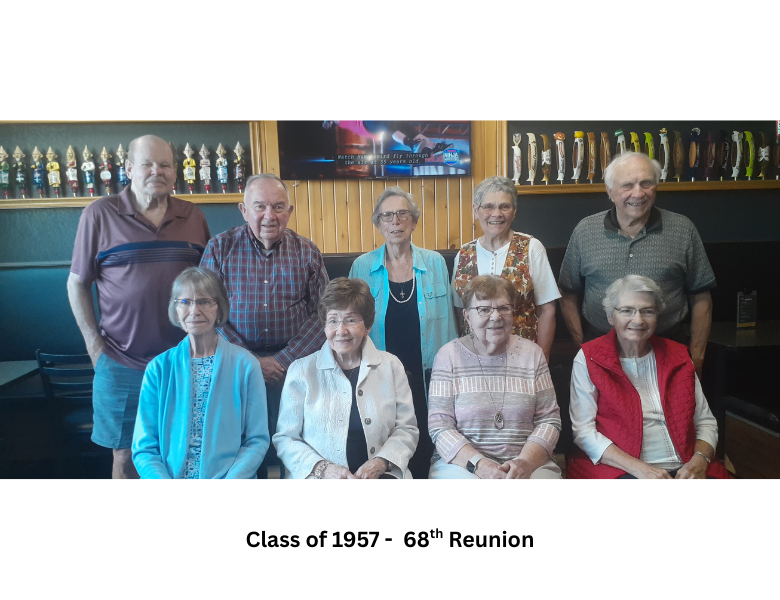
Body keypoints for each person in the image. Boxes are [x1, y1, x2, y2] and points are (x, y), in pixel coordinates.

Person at [67, 134, 210, 478]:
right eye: (147, 163)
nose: (156, 171)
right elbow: (76, 283)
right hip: (120, 362)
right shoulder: (99, 214)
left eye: (164, 164)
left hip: (184, 361)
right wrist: (94, 346)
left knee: (185, 451)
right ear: (130, 168)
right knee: (125, 456)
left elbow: (208, 287)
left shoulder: (193, 216)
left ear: (176, 172)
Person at [200, 173, 329, 476]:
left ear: (290, 211)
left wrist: (283, 360)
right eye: (259, 207)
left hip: (296, 365)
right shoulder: (219, 249)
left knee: (299, 447)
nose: (269, 216)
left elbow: (324, 314)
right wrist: (252, 361)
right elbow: (206, 312)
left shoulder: (307, 251)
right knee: (242, 451)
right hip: (235, 364)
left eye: (278, 206)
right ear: (243, 210)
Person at [558, 151, 716, 376]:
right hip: (601, 353)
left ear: (657, 187)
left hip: (669, 353)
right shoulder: (585, 231)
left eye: (646, 183)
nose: (638, 193)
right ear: (610, 191)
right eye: (627, 185)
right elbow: (568, 293)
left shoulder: (683, 229)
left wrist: (697, 357)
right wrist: (582, 346)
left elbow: (702, 297)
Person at [567, 275, 729, 479]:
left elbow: (705, 422)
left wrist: (699, 460)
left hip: (686, 465)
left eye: (647, 311)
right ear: (610, 317)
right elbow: (584, 432)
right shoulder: (589, 357)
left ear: (657, 316)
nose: (638, 320)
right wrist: (640, 470)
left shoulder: (679, 356)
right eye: (627, 310)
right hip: (621, 468)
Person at [348, 187, 456, 479]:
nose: (395, 221)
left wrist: (449, 369)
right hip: (382, 373)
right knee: (389, 439)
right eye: (387, 216)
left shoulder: (434, 263)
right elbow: (353, 323)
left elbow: (449, 320)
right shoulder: (362, 266)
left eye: (402, 214)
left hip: (429, 371)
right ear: (379, 223)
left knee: (428, 437)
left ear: (413, 221)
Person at [273, 278, 419, 479]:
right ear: (324, 326)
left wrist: (381, 462)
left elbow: (407, 429)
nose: (341, 331)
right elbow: (286, 438)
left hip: (382, 476)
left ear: (367, 326)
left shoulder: (391, 366)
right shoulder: (301, 370)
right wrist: (324, 469)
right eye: (333, 321)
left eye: (351, 320)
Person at [132, 267, 269, 478]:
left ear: (219, 309)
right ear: (176, 310)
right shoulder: (158, 368)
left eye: (205, 301)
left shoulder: (246, 365)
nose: (195, 311)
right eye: (185, 302)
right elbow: (144, 448)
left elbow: (256, 441)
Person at [429, 275, 562, 479]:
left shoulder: (532, 354)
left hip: (529, 462)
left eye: (503, 308)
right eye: (484, 309)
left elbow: (549, 421)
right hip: (463, 465)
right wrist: (479, 465)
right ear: (466, 316)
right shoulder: (448, 356)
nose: (495, 316)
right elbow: (440, 426)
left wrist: (524, 462)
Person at [452, 176, 559, 363]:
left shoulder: (531, 248)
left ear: (514, 211)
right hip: (473, 359)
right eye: (488, 207)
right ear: (476, 211)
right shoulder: (464, 253)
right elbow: (457, 311)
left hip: (522, 359)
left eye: (505, 206)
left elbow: (547, 310)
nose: (497, 213)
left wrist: (543, 359)